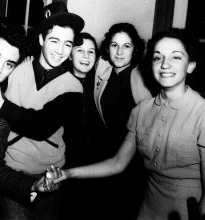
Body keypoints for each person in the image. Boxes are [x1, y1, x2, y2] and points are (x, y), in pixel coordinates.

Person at [56, 28, 205, 220]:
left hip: (187, 212)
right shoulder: (141, 110)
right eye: (158, 57)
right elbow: (117, 163)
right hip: (147, 209)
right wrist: (67, 174)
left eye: (176, 57)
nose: (165, 65)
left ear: (191, 65)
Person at [0, 1, 84, 220]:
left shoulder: (72, 86)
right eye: (54, 40)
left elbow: (41, 125)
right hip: (10, 166)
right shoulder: (16, 66)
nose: (60, 50)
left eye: (68, 44)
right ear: (41, 39)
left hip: (46, 174)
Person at [83, 22, 151, 220]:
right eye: (114, 45)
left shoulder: (140, 79)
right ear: (108, 48)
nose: (120, 52)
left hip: (131, 163)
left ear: (135, 49)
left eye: (126, 46)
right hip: (103, 157)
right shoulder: (104, 71)